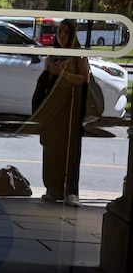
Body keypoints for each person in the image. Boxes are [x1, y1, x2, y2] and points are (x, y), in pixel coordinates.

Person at [36, 19, 89, 207]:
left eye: (66, 32)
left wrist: (64, 74)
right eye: (60, 33)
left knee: (70, 150)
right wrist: (51, 71)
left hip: (71, 107)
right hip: (54, 108)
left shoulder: (78, 55)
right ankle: (53, 189)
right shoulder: (53, 55)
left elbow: (84, 78)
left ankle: (70, 191)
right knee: (52, 149)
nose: (62, 36)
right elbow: (45, 81)